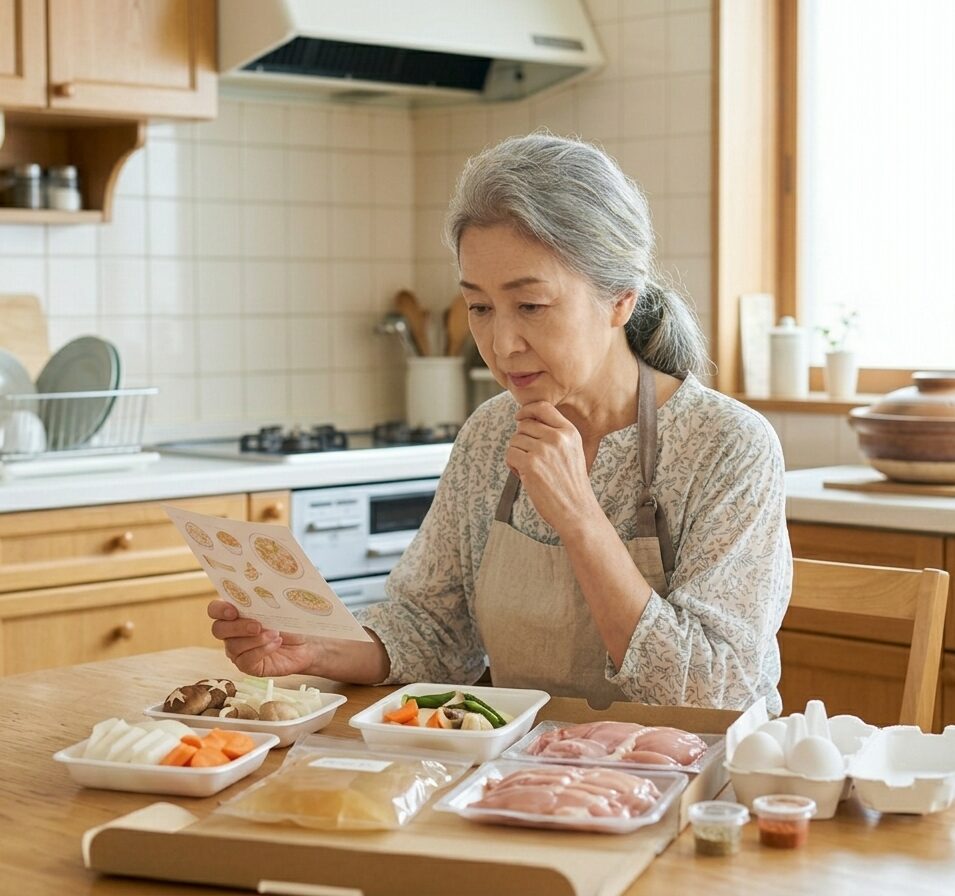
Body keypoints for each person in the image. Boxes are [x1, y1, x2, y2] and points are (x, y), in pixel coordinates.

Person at [208, 133, 792, 713]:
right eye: (480, 308)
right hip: (524, 774)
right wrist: (314, 646)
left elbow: (712, 690)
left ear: (620, 300)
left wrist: (580, 518)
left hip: (688, 783)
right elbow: (434, 630)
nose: (500, 344)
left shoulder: (728, 447)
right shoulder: (492, 432)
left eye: (531, 306)